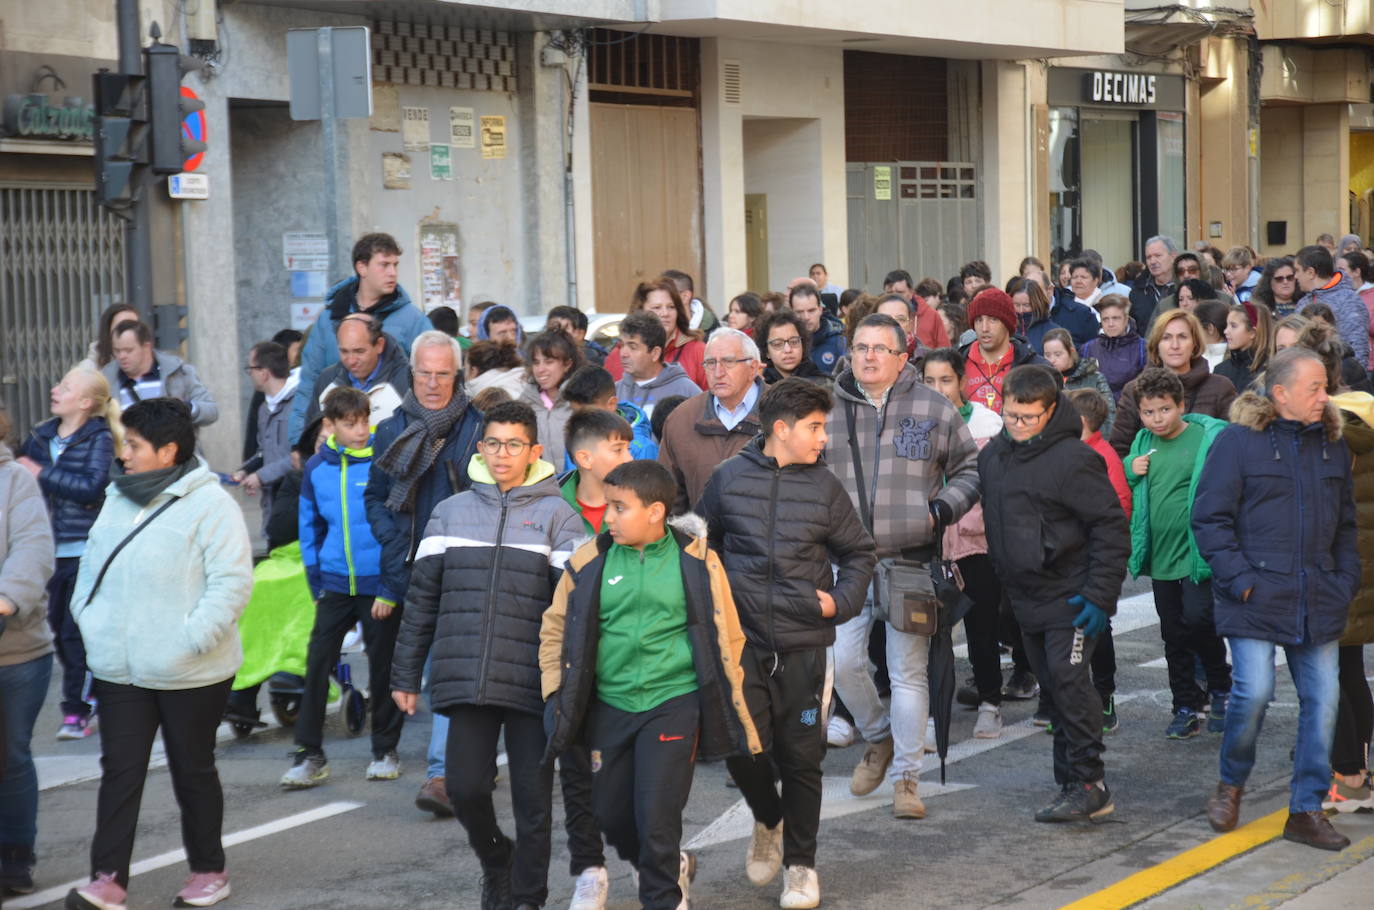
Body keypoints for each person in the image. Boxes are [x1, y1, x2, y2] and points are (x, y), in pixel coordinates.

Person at [540, 460, 762, 910]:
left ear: (656, 511)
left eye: (620, 508)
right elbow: (554, 629)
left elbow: (729, 633)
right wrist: (552, 692)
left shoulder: (698, 560)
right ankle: (670, 865)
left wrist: (731, 696)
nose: (607, 517)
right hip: (608, 705)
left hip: (673, 702)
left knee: (657, 817)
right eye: (607, 507)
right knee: (612, 816)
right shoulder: (588, 561)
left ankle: (663, 896)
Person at [391, 400, 585, 910]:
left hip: (532, 683)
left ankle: (527, 898)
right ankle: (497, 859)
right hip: (467, 678)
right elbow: (422, 601)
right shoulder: (449, 511)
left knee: (533, 804)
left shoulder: (558, 517)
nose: (503, 454)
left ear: (534, 451)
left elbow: (576, 611)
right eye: (494, 443)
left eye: (514, 444)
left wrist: (573, 684)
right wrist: (405, 675)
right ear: (481, 447)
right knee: (466, 789)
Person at [67, 398, 253, 910]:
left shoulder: (210, 503)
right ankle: (107, 878)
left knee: (192, 769)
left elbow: (232, 584)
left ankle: (209, 870)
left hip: (189, 669)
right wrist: (88, 615)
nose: (123, 454)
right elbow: (91, 561)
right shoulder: (117, 496)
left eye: (134, 445)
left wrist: (189, 640)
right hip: (119, 665)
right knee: (120, 770)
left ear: (168, 451)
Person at [697, 380, 876, 908]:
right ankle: (768, 819)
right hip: (741, 644)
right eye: (815, 427)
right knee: (739, 746)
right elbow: (701, 547)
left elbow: (860, 553)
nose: (824, 438)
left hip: (803, 647)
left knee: (801, 758)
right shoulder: (727, 479)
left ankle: (800, 866)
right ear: (781, 429)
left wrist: (838, 604)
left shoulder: (826, 488)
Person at [1194, 348, 1360, 850]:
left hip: (1319, 595)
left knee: (1323, 702)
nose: (1324, 396)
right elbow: (1209, 519)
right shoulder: (1238, 443)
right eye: (1314, 388)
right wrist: (1241, 579)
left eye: (1325, 386)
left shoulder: (1332, 445)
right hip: (1255, 594)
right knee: (1253, 693)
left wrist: (1344, 578)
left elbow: (1346, 526)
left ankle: (1306, 810)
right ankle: (1232, 782)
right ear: (1280, 393)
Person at [827, 313, 980, 818]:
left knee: (907, 672)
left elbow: (969, 469)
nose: (868, 357)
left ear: (901, 357)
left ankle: (906, 782)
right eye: (860, 347)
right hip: (846, 561)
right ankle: (879, 737)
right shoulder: (826, 408)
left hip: (910, 560)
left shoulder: (932, 407)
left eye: (879, 349)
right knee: (843, 664)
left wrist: (941, 510)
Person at [979, 366, 1129, 822]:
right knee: (1054, 691)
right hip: (1025, 597)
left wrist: (1100, 596)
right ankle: (1070, 784)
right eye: (1011, 415)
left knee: (1069, 682)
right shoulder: (993, 456)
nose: (1018, 424)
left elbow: (1109, 526)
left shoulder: (1073, 459)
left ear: (1051, 410)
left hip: (1071, 594)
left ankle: (1090, 782)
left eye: (1029, 417)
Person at [365, 330, 484, 820]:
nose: (433, 383)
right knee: (432, 667)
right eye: (424, 373)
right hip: (413, 565)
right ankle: (460, 765)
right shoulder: (392, 429)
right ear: (410, 374)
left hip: (465, 564)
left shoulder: (478, 427)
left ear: (458, 376)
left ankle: (441, 774)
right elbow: (374, 495)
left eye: (443, 374)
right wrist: (395, 544)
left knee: (449, 668)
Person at [284, 387, 403, 788]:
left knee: (383, 665)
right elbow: (309, 527)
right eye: (350, 423)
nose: (360, 430)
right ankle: (308, 754)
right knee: (317, 663)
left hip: (377, 584)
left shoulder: (384, 463)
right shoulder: (317, 469)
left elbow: (397, 527)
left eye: (364, 421)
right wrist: (315, 579)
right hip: (334, 584)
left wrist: (391, 583)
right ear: (329, 425)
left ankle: (385, 749)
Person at [1124, 368, 1232, 739]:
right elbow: (1127, 483)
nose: (1157, 419)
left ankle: (1220, 687)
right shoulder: (1141, 441)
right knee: (1173, 633)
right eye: (1148, 412)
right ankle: (1185, 704)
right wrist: (1129, 469)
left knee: (1200, 620)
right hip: (1162, 557)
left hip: (1196, 553)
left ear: (1181, 406)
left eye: (1164, 410)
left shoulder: (1204, 437)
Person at [16, 368, 117, 741]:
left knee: (76, 632)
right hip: (48, 551)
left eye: (66, 387)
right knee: (58, 630)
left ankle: (76, 709)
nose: (55, 390)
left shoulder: (99, 438)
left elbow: (92, 487)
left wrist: (40, 473)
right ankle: (95, 694)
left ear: (86, 403)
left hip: (84, 550)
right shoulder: (39, 438)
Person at [921, 350, 1007, 737]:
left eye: (945, 380)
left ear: (961, 381)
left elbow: (995, 488)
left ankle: (991, 702)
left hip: (976, 543)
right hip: (928, 543)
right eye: (929, 380)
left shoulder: (987, 425)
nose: (937, 389)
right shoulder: (913, 422)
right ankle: (926, 711)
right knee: (927, 633)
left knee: (982, 628)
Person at [290, 233, 430, 443]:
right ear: (362, 268)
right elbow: (309, 381)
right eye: (384, 265)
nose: (392, 273)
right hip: (336, 444)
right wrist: (298, 440)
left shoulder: (413, 320)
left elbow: (432, 381)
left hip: (391, 443)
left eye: (395, 265)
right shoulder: (328, 318)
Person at [0, 403, 57, 897]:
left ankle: (15, 854)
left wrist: (6, 598)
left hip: (15, 649)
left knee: (9, 754)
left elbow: (33, 548)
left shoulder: (15, 480)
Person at [1325, 382, 1374, 813]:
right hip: (1363, 577)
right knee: (1350, 671)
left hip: (1336, 574)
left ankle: (1349, 775)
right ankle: (1357, 769)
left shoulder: (1336, 445)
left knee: (1333, 675)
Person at [657, 328, 764, 516]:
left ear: (753, 368)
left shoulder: (782, 413)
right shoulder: (681, 420)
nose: (718, 372)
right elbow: (670, 500)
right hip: (701, 542)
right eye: (710, 363)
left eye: (728, 362)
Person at [1110, 309, 1237, 457]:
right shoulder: (1134, 389)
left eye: (1182, 337)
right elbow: (1118, 450)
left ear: (1194, 343)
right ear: (1157, 344)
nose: (1175, 345)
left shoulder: (1220, 387)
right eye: (1166, 338)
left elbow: (1234, 445)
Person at [302, 314, 411, 431]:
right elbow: (311, 435)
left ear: (379, 345)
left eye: (359, 351)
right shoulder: (326, 380)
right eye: (344, 351)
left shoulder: (408, 382)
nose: (351, 360)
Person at [234, 342, 299, 540]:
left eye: (250, 368)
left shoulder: (299, 404)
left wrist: (261, 476)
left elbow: (299, 457)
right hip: (272, 504)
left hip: (296, 504)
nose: (249, 374)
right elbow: (264, 450)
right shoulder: (263, 409)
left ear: (264, 372)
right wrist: (246, 470)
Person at [102, 320, 218, 427]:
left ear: (146, 347)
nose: (121, 356)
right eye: (117, 351)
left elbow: (211, 411)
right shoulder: (105, 380)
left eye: (129, 350)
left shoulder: (179, 372)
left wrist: (187, 408)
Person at [959, 288, 1050, 414]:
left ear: (1007, 324)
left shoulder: (1037, 368)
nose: (984, 328)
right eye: (979, 320)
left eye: (993, 319)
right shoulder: (956, 365)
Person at [606, 280, 707, 388]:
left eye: (671, 307)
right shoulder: (619, 355)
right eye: (657, 308)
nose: (665, 313)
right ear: (640, 312)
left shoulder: (698, 351)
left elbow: (712, 399)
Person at [613, 312, 702, 419]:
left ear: (655, 353)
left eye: (633, 347)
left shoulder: (687, 391)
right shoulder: (614, 392)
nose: (623, 353)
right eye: (621, 345)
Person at [560, 409, 634, 535]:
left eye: (629, 449)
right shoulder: (552, 506)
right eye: (618, 450)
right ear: (585, 459)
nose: (630, 458)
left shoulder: (640, 502)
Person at [1295, 244, 1371, 368]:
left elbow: (1357, 348)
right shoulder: (1302, 303)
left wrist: (1351, 382)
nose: (1295, 276)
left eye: (1297, 270)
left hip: (1340, 379)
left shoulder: (1349, 300)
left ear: (1310, 272)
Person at [562, 365, 658, 462]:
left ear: (611, 404)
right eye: (575, 413)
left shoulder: (642, 449)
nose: (580, 422)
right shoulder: (577, 438)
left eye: (589, 415)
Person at [521, 330, 582, 470]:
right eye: (536, 363)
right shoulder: (525, 404)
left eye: (549, 362)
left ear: (567, 364)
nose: (540, 369)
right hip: (541, 488)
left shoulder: (580, 403)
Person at [1043, 328, 1114, 437]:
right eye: (1047, 355)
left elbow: (1109, 417)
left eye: (1058, 354)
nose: (1052, 360)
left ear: (1071, 352)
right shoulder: (1043, 381)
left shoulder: (1095, 378)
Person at [1081, 295, 1147, 401]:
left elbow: (1146, 385)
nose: (1110, 324)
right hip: (1096, 410)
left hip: (1131, 409)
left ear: (1126, 319)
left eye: (1115, 318)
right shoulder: (1088, 349)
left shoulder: (1142, 348)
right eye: (1105, 319)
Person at [759, 310, 829, 386]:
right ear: (767, 351)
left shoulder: (824, 385)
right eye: (778, 344)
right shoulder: (759, 389)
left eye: (794, 342)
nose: (788, 350)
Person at [1216, 302, 1272, 395]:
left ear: (1252, 333)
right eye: (1227, 325)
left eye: (1233, 326)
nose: (1226, 331)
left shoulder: (1269, 370)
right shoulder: (1221, 369)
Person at [789, 284, 846, 375]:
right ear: (791, 313)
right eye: (799, 312)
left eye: (811, 311)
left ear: (820, 310)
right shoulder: (784, 344)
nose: (806, 317)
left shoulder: (839, 341)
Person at [1129, 235, 1178, 331]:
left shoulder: (1184, 289)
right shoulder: (1137, 291)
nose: (1152, 261)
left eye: (1158, 256)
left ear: (1173, 257)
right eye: (1148, 257)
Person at [83, 303, 140, 370]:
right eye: (121, 327)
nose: (128, 333)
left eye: (133, 327)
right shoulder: (88, 369)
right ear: (107, 331)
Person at [662, 268, 719, 335]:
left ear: (685, 297)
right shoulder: (656, 328)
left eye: (668, 294)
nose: (660, 298)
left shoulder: (713, 332)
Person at [1006, 277, 1054, 353]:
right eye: (1017, 305)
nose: (1021, 310)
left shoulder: (1051, 331)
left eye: (1026, 305)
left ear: (1037, 304)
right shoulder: (1006, 330)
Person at [1193, 300, 1232, 372]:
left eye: (1196, 328)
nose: (1192, 333)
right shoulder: (1192, 356)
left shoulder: (1231, 362)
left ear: (1210, 328)